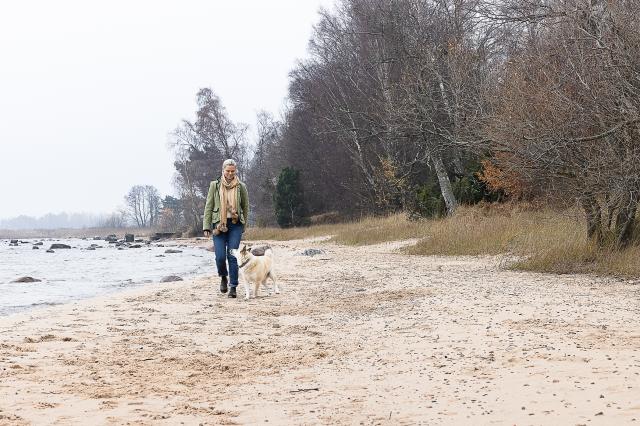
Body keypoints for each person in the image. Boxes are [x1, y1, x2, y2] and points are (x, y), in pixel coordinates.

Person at [203, 159, 249, 298]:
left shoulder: (241, 186)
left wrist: (243, 225)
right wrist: (206, 226)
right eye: (227, 171)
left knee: (232, 255)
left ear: (235, 171)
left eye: (232, 171)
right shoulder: (214, 185)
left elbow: (245, 207)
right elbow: (209, 206)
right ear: (223, 170)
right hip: (219, 225)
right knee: (220, 257)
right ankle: (223, 276)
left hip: (235, 225)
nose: (230, 173)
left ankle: (233, 287)